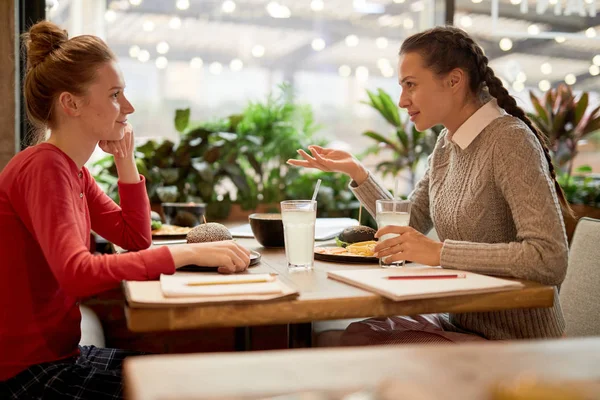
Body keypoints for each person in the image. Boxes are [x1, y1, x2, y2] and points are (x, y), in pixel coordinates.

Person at [0, 21, 250, 399]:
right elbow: (77, 275)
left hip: (61, 358)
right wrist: (188, 252)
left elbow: (135, 237)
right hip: (28, 376)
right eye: (115, 94)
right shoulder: (44, 168)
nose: (128, 107)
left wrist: (126, 163)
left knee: (188, 377)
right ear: (71, 103)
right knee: (191, 388)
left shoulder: (72, 170)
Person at [288, 26, 569, 345]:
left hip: (514, 340)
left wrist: (439, 252)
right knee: (353, 332)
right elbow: (411, 219)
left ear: (454, 80)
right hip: (461, 321)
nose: (401, 100)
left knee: (354, 342)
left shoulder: (510, 141)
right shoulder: (447, 145)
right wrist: (358, 172)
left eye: (410, 85)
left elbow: (550, 258)